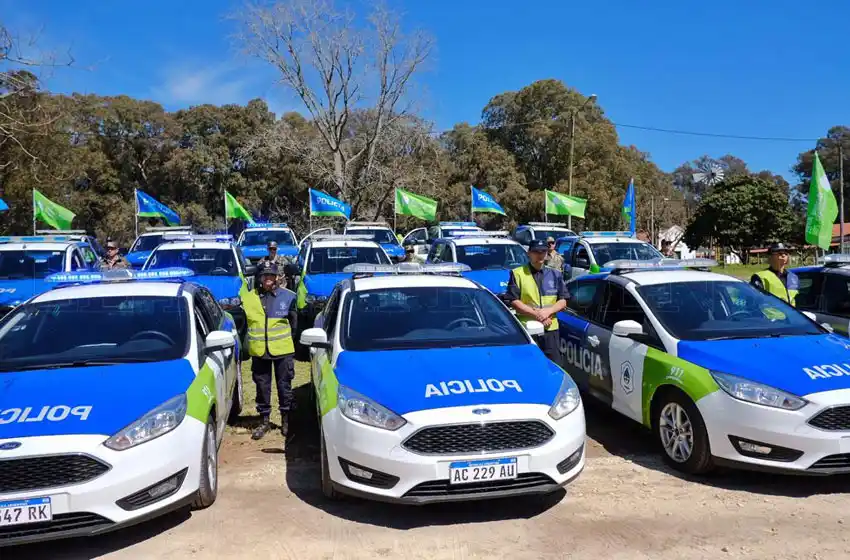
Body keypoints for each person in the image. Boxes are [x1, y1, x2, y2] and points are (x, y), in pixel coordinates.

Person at [242, 261, 298, 440]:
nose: (268, 278)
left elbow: (295, 325)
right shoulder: (248, 298)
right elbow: (244, 325)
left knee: (284, 387)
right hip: (259, 352)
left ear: (277, 277)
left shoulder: (288, 297)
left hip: (282, 351)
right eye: (264, 275)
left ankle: (286, 421)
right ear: (259, 277)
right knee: (262, 387)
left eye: (271, 275)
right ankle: (264, 421)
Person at [505, 239, 570, 365]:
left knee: (554, 366)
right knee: (528, 365)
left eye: (543, 251)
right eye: (536, 252)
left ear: (546, 253)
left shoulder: (555, 274)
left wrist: (548, 312)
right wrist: (538, 315)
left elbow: (563, 300)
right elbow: (513, 301)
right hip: (527, 330)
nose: (540, 254)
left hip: (550, 328)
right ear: (529, 253)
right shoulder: (518, 273)